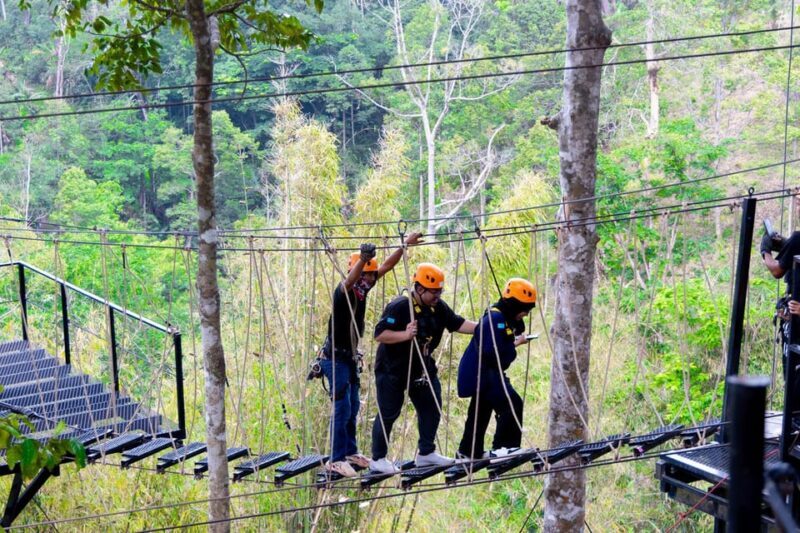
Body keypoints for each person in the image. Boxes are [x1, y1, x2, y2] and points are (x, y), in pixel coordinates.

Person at [320, 232, 423, 478]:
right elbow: (350, 280)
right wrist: (363, 259)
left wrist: (403, 245)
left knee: (353, 405)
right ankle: (335, 459)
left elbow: (386, 266)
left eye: (369, 274)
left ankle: (349, 451)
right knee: (342, 407)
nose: (369, 278)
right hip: (334, 358)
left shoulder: (362, 289)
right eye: (366, 274)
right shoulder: (343, 291)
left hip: (349, 357)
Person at [369, 263, 477, 474]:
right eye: (433, 292)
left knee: (432, 405)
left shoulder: (438, 307)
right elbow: (380, 334)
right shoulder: (400, 306)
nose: (437, 295)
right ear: (420, 289)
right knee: (388, 413)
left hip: (421, 369)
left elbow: (457, 323)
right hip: (393, 369)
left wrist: (485, 327)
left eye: (439, 291)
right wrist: (404, 335)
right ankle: (378, 458)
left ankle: (426, 453)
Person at [456, 278, 537, 461]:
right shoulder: (494, 318)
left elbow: (500, 343)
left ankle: (468, 451)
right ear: (514, 304)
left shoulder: (501, 318)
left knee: (480, 412)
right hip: (484, 373)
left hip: (481, 373)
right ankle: (505, 448)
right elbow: (491, 351)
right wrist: (511, 347)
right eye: (524, 309)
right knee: (512, 403)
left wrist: (513, 337)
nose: (525, 313)